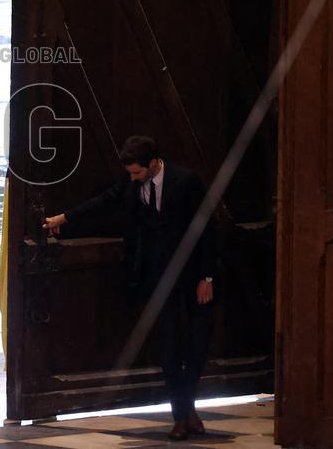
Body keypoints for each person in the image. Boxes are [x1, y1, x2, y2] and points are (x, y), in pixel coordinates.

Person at [42, 135, 216, 442]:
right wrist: (65, 218)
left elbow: (206, 229)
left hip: (190, 278)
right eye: (130, 174)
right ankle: (181, 417)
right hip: (156, 279)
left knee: (197, 347)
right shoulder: (134, 185)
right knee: (169, 349)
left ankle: (188, 410)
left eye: (136, 172)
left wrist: (207, 277)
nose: (132, 178)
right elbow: (104, 202)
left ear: (152, 164)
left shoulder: (186, 182)